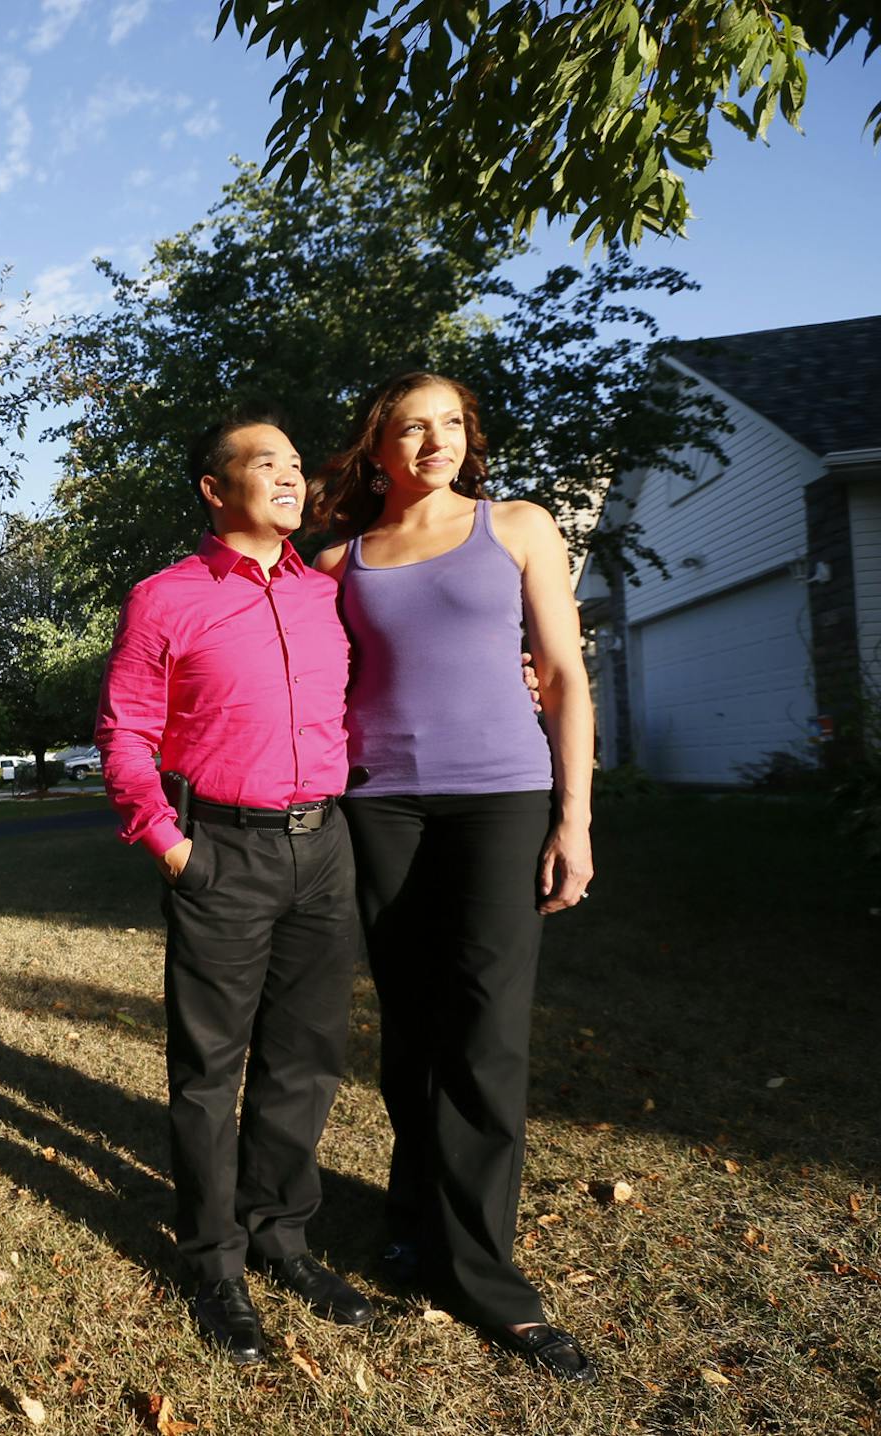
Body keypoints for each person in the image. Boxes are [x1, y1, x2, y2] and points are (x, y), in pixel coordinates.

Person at [310, 371, 597, 1382]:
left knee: (485, 1029)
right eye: (411, 425)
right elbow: (307, 679)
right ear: (378, 444)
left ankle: (485, 1281)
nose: (434, 439)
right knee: (412, 1027)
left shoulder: (516, 526)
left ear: (468, 437)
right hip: (379, 803)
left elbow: (561, 675)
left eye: (450, 424)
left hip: (501, 798)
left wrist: (575, 816)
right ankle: (412, 1214)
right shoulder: (341, 557)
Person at [95, 407, 373, 1365]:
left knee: (306, 1058)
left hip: (325, 849)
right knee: (211, 1073)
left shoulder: (326, 592)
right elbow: (125, 732)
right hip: (223, 851)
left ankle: (283, 1236)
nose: (292, 477)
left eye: (296, 464)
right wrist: (172, 844)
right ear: (216, 491)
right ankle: (214, 1261)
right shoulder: (164, 598)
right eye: (267, 464)